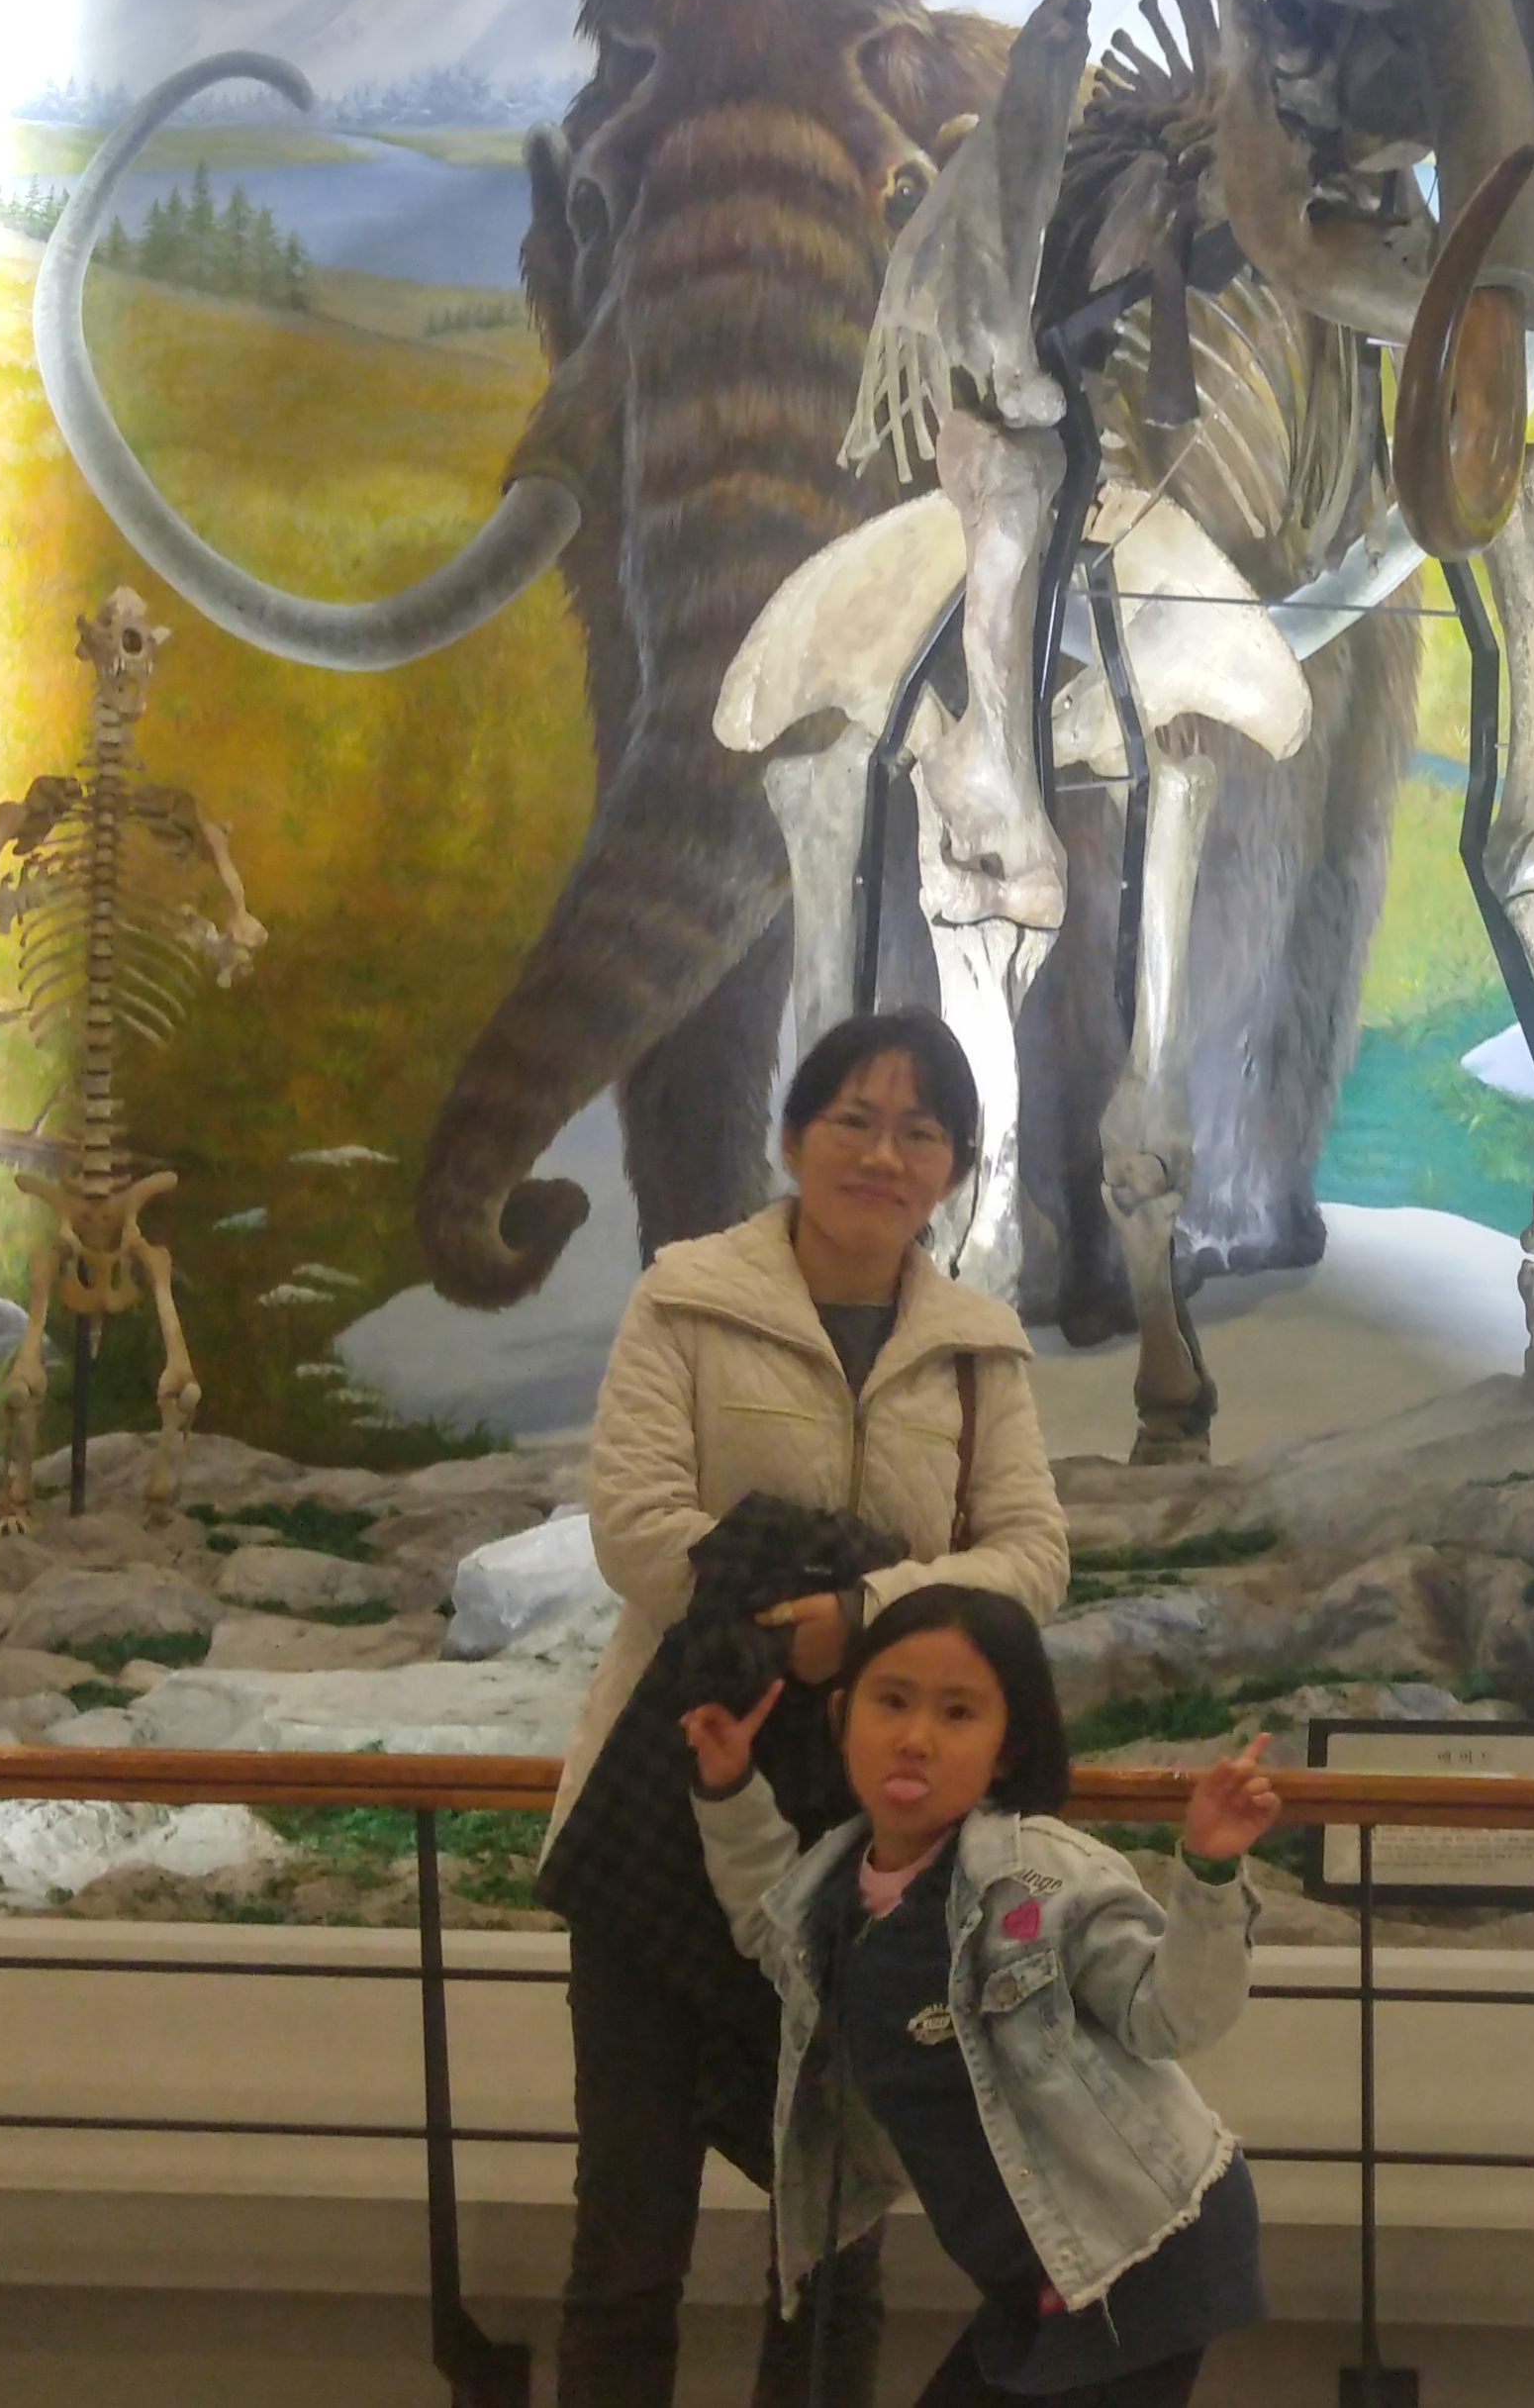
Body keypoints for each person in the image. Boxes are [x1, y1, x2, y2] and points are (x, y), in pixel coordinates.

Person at [545, 1010, 1076, 2408]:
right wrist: (810, 1622)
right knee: (627, 2243)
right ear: (791, 1138)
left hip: (869, 1843)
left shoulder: (976, 1346)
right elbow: (635, 1527)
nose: (882, 1154)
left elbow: (1032, 1558)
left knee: (834, 2246)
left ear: (953, 1166)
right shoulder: (686, 1297)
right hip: (669, 1802)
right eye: (852, 1119)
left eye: (919, 1130)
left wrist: (868, 1612)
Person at [687, 1586, 1281, 2408]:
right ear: (842, 1717)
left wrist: (1210, 1872)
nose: (916, 1739)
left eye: (959, 1713)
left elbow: (1171, 2017)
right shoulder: (829, 1891)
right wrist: (728, 1790)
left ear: (1007, 1749)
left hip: (1147, 2248)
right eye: (892, 1702)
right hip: (1041, 2270)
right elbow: (768, 1927)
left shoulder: (1043, 1873)